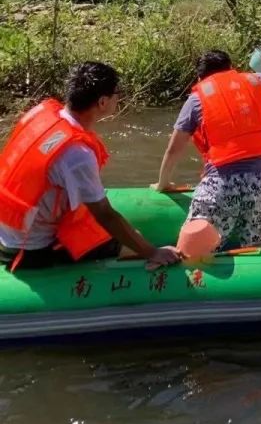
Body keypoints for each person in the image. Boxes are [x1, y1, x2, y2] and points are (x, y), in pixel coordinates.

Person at [0, 62, 181, 271]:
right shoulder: (77, 155)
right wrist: (152, 251)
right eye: (116, 94)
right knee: (129, 242)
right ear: (103, 102)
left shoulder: (42, 115)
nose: (119, 98)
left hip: (8, 229)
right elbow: (104, 214)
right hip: (30, 249)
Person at [153, 50, 261, 251]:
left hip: (221, 186)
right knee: (258, 250)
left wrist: (163, 184)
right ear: (231, 68)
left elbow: (173, 150)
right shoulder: (255, 81)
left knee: (195, 251)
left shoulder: (196, 100)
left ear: (200, 77)